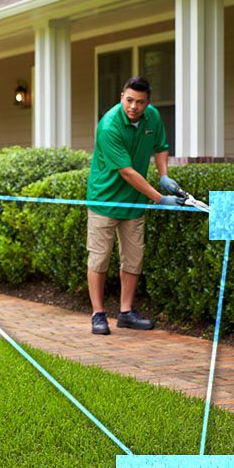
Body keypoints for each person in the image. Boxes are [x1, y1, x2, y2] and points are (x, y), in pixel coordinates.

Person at [86, 76, 184, 336]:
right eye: (129, 100)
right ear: (121, 97)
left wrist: (163, 175)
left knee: (133, 258)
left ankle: (126, 312)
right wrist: (160, 198)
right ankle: (98, 314)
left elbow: (161, 146)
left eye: (140, 102)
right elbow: (127, 172)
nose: (133, 107)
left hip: (133, 203)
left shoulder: (152, 117)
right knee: (99, 258)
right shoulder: (109, 126)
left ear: (147, 102)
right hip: (103, 201)